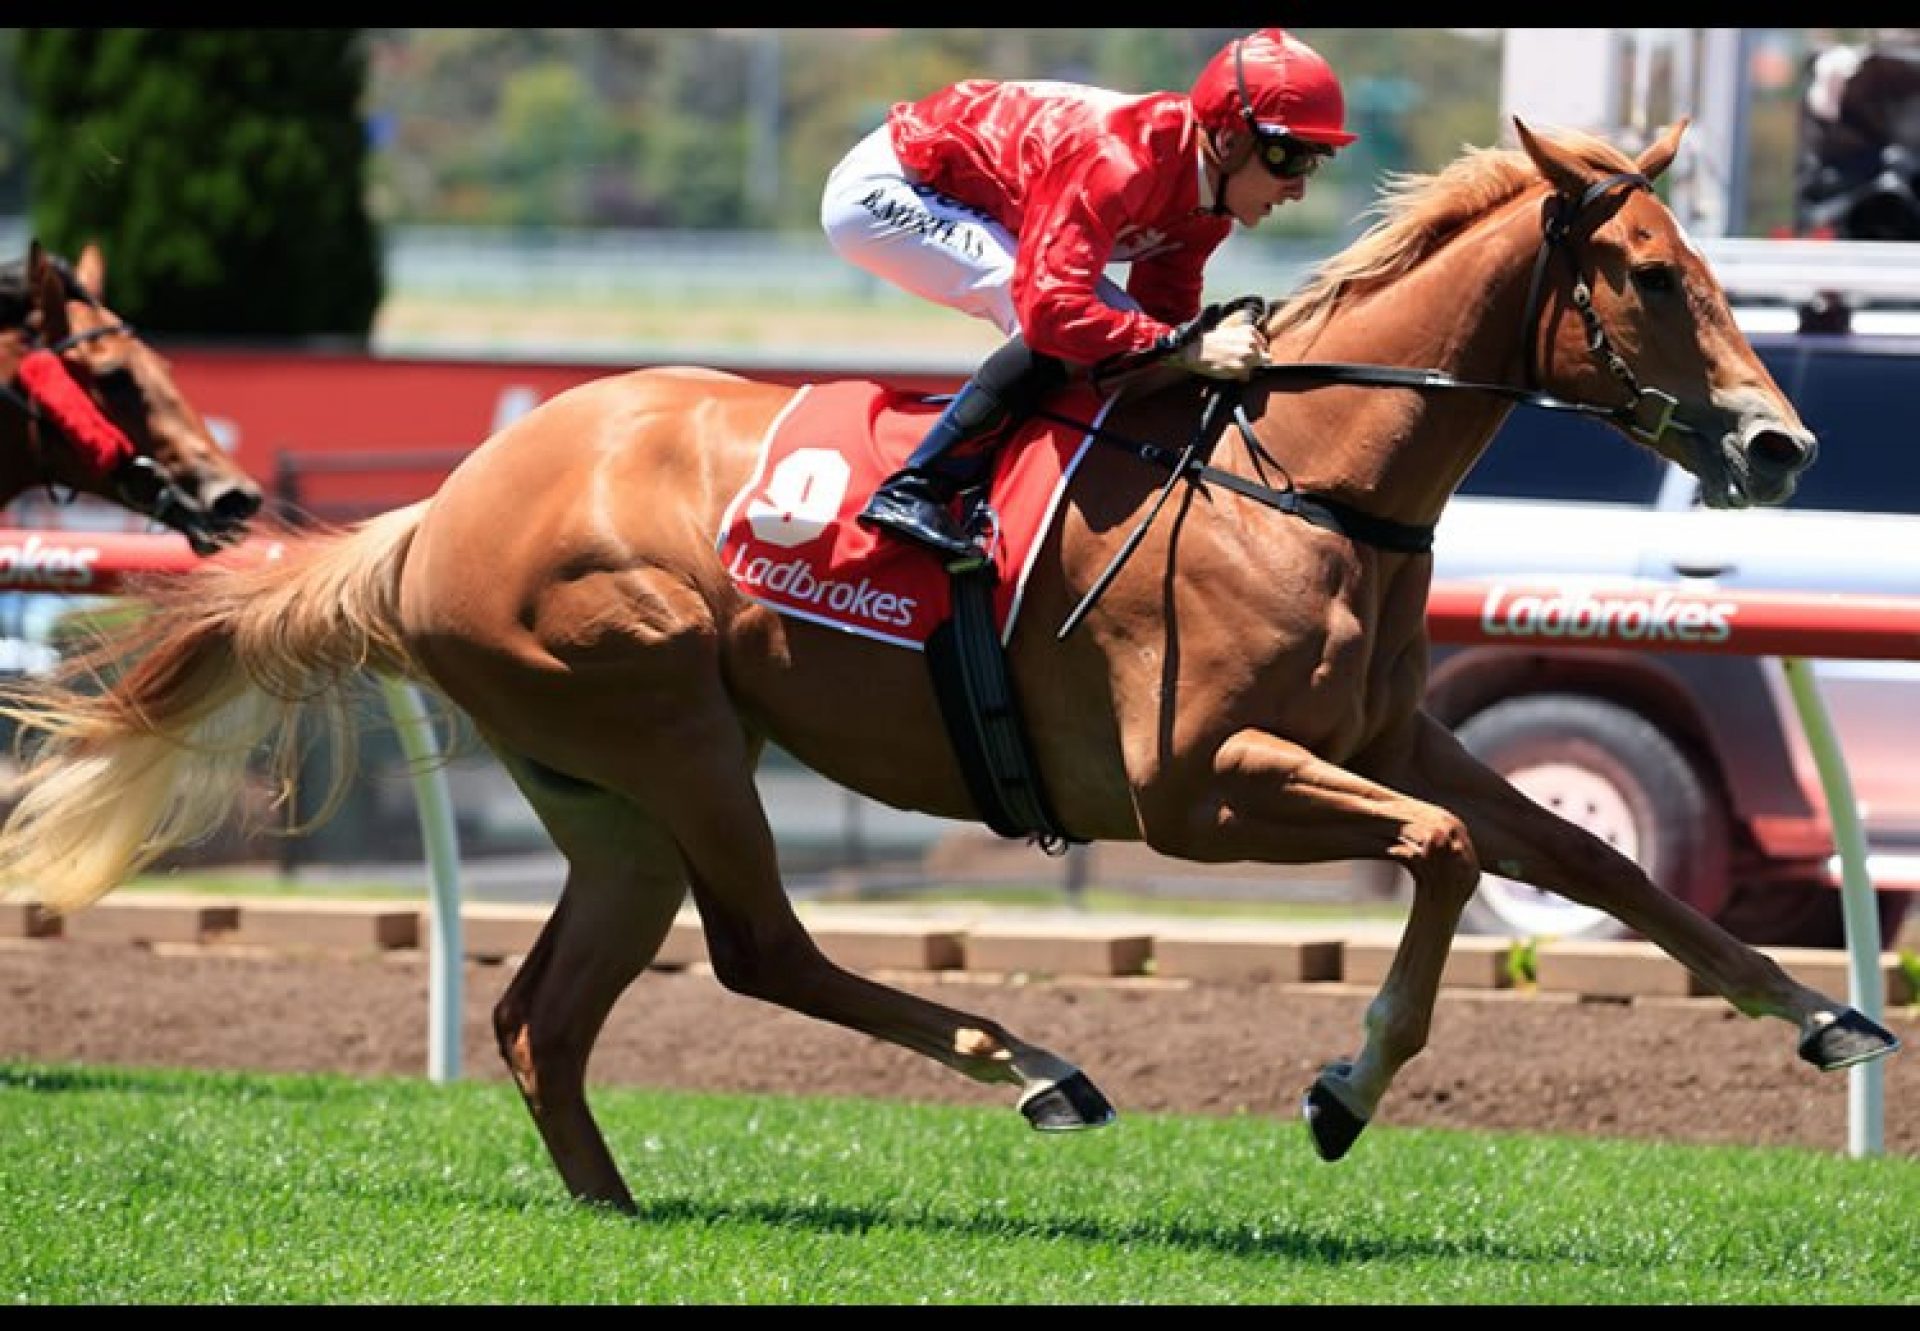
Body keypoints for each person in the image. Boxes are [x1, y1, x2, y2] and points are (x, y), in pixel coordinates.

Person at [819, 27, 1356, 562]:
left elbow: (1160, 318)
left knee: (1122, 330)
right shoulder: (1119, 162)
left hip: (974, 194)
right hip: (896, 186)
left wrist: (1183, 355)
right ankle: (916, 487)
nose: (1299, 187)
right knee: (1051, 318)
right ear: (1228, 141)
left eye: (1314, 161)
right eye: (1288, 157)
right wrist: (1184, 348)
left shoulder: (1207, 210)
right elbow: (1053, 313)